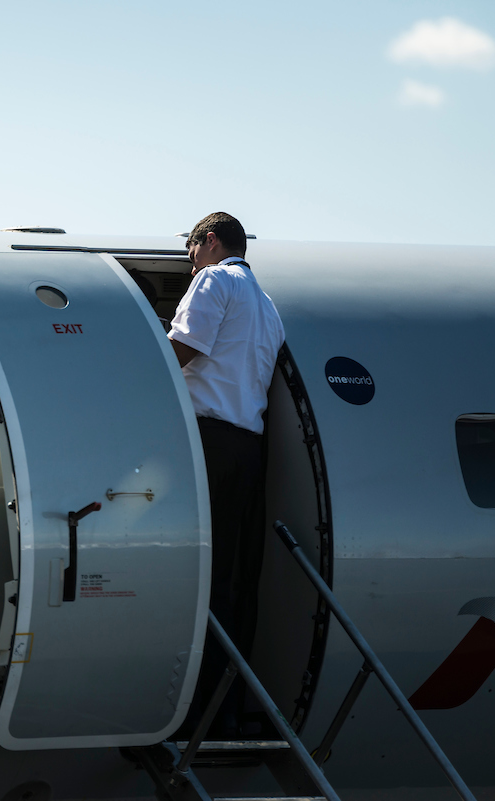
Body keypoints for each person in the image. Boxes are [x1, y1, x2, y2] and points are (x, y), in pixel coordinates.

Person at [168, 212, 285, 737]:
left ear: (209, 242)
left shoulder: (213, 281)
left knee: (196, 579)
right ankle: (224, 713)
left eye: (191, 251)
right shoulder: (268, 307)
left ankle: (186, 713)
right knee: (231, 582)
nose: (190, 264)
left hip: (209, 442)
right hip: (247, 447)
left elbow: (183, 351)